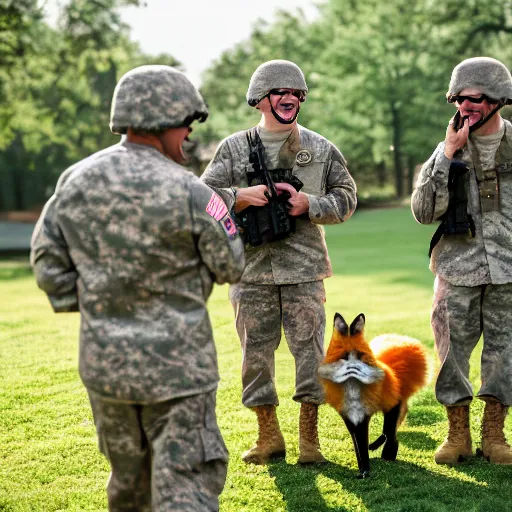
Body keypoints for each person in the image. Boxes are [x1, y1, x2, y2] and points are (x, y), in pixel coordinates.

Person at [31, 65, 245, 511]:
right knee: (186, 489)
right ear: (165, 118)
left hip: (108, 370)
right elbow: (231, 264)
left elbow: (48, 266)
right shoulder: (192, 191)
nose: (189, 132)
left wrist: (99, 299)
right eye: (187, 122)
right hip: (180, 372)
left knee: (129, 490)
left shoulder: (75, 181)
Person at [201, 59, 357, 465]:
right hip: (250, 270)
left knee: (309, 354)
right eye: (280, 93)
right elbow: (200, 197)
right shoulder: (233, 148)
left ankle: (310, 442)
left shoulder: (319, 148)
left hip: (304, 269)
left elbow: (347, 197)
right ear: (260, 100)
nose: (289, 99)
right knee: (255, 356)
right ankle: (268, 437)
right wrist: (241, 196)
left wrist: (312, 203)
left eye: (296, 94)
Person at [411, 57, 512, 465]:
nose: (464, 108)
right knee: (451, 352)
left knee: (505, 354)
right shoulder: (445, 150)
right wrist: (447, 156)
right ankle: (457, 433)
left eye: (474, 99)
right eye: (459, 99)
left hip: (509, 270)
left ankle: (494, 434)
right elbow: (422, 211)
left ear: (498, 99)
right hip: (457, 269)